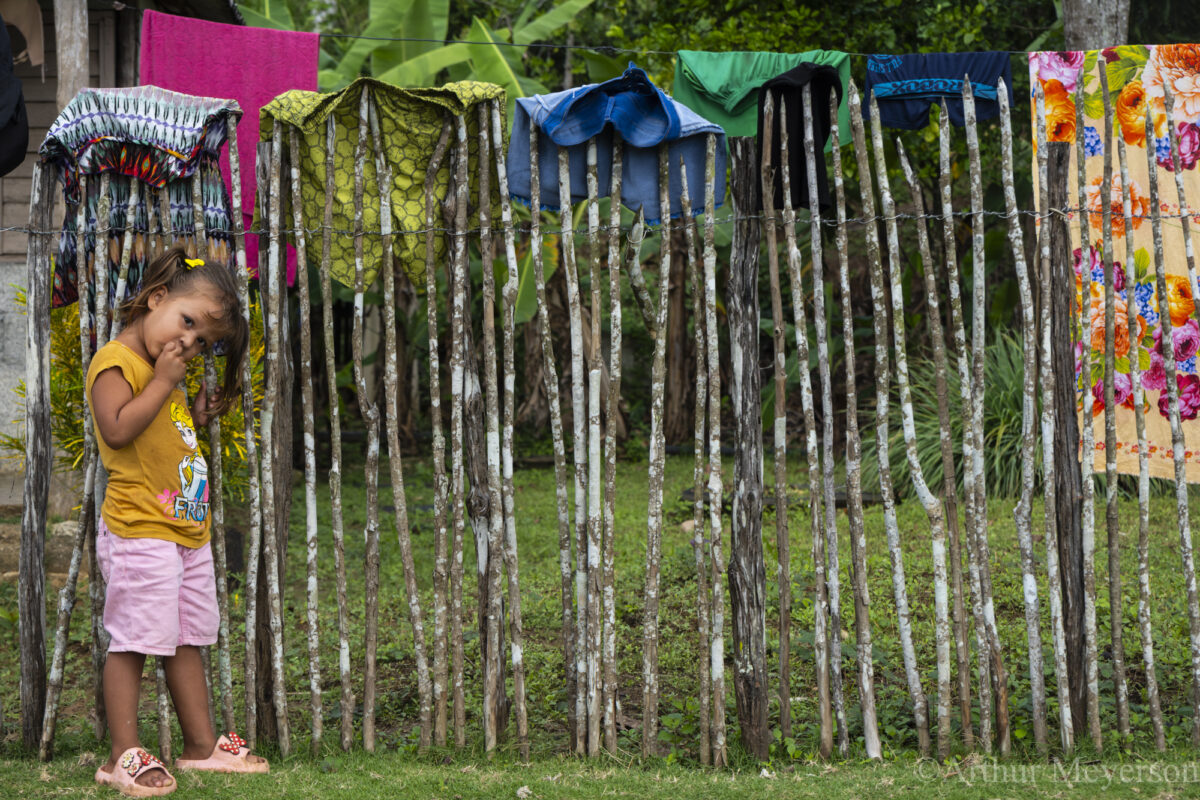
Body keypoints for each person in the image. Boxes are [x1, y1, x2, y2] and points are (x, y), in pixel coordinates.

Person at [87, 245, 263, 796]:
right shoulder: (117, 362)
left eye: (204, 342)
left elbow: (162, 434)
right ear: (157, 298)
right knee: (135, 640)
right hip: (140, 529)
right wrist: (165, 384)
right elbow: (116, 429)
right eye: (188, 323)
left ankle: (199, 747)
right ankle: (122, 755)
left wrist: (195, 408)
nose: (190, 343)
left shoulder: (168, 373)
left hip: (185, 532)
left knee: (188, 639)